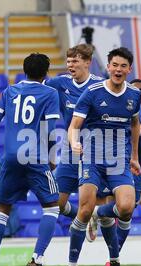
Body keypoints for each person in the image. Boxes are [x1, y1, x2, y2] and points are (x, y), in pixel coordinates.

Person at [62, 47, 141, 266]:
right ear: (108, 67)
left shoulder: (133, 95)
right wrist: (74, 143)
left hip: (119, 161)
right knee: (83, 210)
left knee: (126, 208)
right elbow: (74, 126)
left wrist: (134, 157)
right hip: (91, 159)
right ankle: (72, 265)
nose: (118, 70)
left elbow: (134, 125)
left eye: (123, 66)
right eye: (114, 65)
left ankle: (100, 216)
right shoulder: (92, 93)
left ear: (129, 69)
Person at [0, 53, 60, 266]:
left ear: (24, 71)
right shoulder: (50, 93)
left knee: (2, 209)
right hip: (35, 157)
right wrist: (52, 156)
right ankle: (37, 259)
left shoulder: (9, 91)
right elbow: (51, 130)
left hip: (10, 157)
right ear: (45, 73)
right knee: (52, 207)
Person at [85, 79, 141, 266]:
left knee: (126, 212)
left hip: (134, 171)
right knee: (115, 207)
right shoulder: (116, 111)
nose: (138, 92)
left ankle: (97, 214)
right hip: (110, 166)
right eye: (134, 89)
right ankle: (114, 259)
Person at [44, 44, 103, 220]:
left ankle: (91, 218)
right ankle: (82, 217)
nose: (70, 65)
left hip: (96, 150)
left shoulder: (100, 85)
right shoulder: (61, 83)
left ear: (87, 63)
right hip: (71, 148)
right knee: (57, 203)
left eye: (75, 61)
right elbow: (37, 87)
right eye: (68, 61)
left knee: (97, 204)